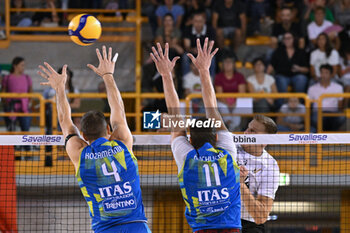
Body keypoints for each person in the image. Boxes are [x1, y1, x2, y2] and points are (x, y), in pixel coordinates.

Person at [38, 46, 150, 233]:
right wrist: (107, 75)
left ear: (83, 136)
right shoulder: (122, 143)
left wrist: (59, 88)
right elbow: (119, 110)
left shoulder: (79, 153)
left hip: (105, 229)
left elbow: (65, 122)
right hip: (137, 226)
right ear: (108, 129)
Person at [150, 38, 241, 232]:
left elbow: (175, 117)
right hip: (230, 227)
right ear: (215, 137)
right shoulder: (227, 154)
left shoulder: (187, 157)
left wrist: (166, 75)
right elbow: (212, 109)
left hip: (203, 228)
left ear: (190, 140)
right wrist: (204, 70)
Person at [237, 115, 280, 233]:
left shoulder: (270, 166)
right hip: (220, 219)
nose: (246, 133)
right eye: (247, 128)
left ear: (265, 141)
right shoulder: (230, 147)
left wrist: (241, 185)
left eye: (252, 131)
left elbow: (260, 217)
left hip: (248, 224)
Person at [308, 64, 345, 131]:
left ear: (331, 75)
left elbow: (340, 106)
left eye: (326, 73)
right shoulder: (312, 88)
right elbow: (309, 106)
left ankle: (330, 136)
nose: (323, 75)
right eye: (322, 72)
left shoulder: (338, 87)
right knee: (315, 118)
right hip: (318, 113)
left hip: (333, 113)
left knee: (341, 117)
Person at [214, 55, 247, 131]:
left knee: (238, 106)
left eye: (230, 62)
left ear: (234, 65)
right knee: (222, 106)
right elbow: (220, 94)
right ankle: (229, 125)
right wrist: (228, 104)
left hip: (237, 100)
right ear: (222, 65)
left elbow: (242, 93)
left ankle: (234, 127)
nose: (228, 64)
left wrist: (234, 104)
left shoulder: (239, 76)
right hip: (223, 101)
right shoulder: (218, 77)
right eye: (225, 62)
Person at [2, 57, 32, 134]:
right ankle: (13, 146)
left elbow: (30, 91)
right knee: (11, 131)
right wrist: (7, 105)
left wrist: (28, 103)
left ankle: (26, 146)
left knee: (25, 131)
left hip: (24, 108)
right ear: (15, 66)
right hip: (11, 107)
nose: (23, 67)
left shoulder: (27, 77)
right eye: (22, 65)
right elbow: (3, 92)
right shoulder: (7, 78)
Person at [182, 11, 216, 77]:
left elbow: (210, 46)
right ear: (192, 22)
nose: (198, 23)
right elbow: (186, 46)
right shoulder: (187, 29)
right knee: (185, 57)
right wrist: (193, 50)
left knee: (212, 58)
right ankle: (186, 81)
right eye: (196, 21)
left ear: (204, 21)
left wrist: (202, 51)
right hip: (192, 52)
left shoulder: (210, 30)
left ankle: (211, 80)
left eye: (200, 21)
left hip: (205, 53)